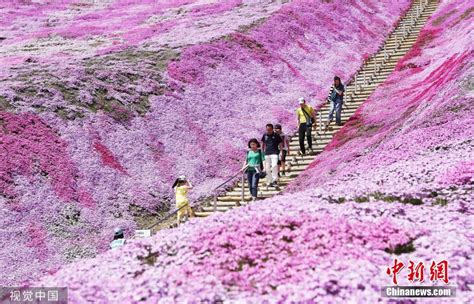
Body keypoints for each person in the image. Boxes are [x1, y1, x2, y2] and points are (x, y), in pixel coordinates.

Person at [261, 123, 282, 189]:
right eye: (267, 130)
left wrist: (281, 151)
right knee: (267, 168)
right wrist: (262, 151)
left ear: (272, 129)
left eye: (269, 130)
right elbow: (263, 143)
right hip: (267, 153)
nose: (268, 131)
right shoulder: (265, 135)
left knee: (274, 166)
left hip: (275, 152)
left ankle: (274, 180)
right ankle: (269, 180)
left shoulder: (276, 135)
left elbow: (280, 143)